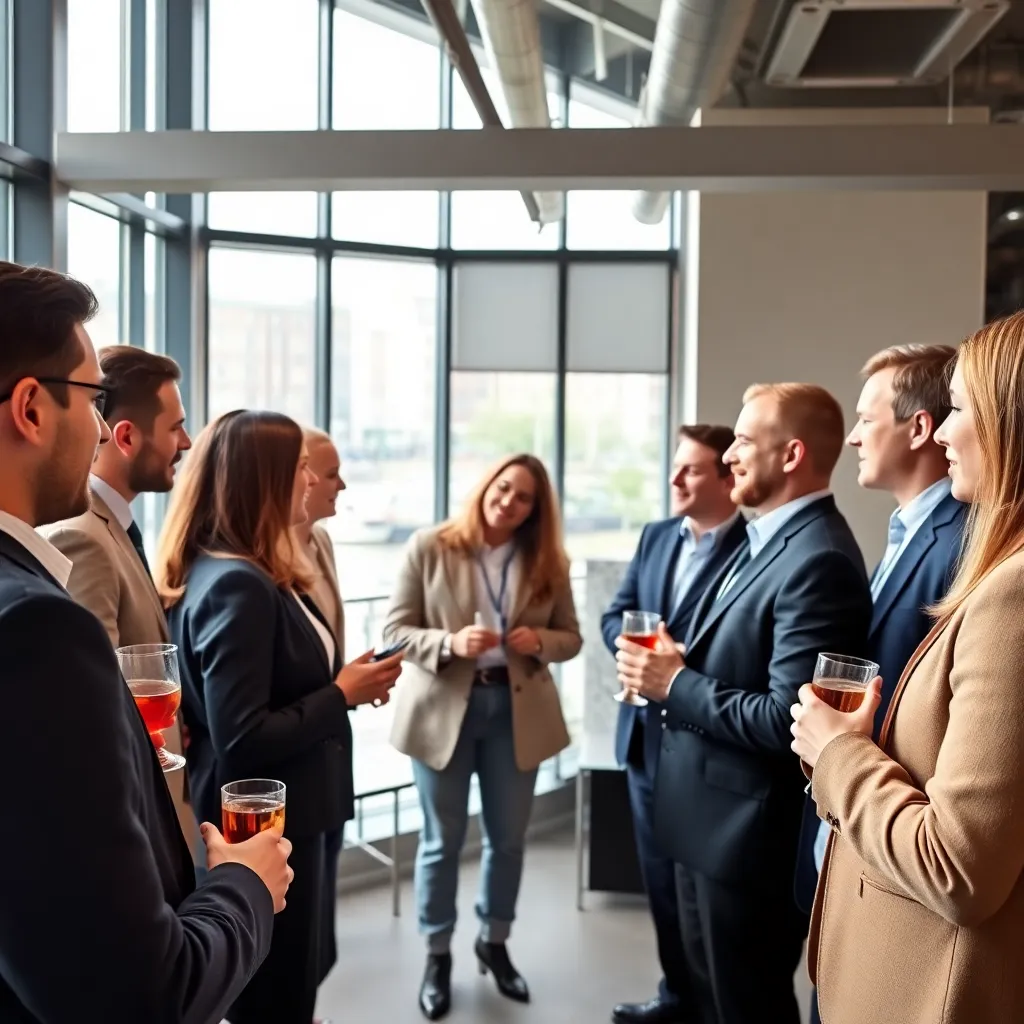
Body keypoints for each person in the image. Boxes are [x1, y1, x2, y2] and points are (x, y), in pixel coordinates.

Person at [0, 260, 291, 1022]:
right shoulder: (36, 632)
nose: (101, 428)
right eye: (93, 398)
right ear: (30, 408)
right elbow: (139, 992)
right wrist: (246, 885)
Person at [793, 312, 1024, 1023]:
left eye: (959, 409)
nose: (946, 429)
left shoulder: (1012, 590)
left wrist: (839, 753)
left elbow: (959, 869)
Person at [617, 383, 872, 1024]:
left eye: (743, 442)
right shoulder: (765, 539)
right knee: (712, 1003)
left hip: (744, 841)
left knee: (746, 1007)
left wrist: (673, 681)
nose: (729, 454)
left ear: (789, 456)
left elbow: (789, 719)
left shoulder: (819, 559)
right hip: (707, 823)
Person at [158, 410, 403, 1024]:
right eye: (299, 468)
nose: (312, 481)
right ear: (267, 478)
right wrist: (341, 694)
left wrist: (343, 686)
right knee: (278, 994)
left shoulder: (251, 569)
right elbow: (243, 737)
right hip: (266, 821)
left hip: (293, 811)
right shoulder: (238, 584)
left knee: (294, 980)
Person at [384, 453, 582, 1021]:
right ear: (486, 486)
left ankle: (494, 942)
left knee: (509, 838)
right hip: (445, 709)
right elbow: (395, 630)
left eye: (523, 498)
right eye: (504, 489)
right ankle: (437, 952)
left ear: (534, 511)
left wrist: (538, 639)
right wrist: (449, 643)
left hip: (516, 711)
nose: (509, 503)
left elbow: (571, 637)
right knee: (442, 839)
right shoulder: (431, 545)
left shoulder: (548, 560)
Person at [603, 424, 745, 1024]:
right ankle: (676, 997)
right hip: (642, 738)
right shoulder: (656, 535)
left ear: (726, 478)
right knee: (659, 885)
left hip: (701, 741)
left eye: (690, 469)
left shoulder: (753, 549)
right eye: (675, 466)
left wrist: (675, 660)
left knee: (701, 900)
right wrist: (634, 650)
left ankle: (706, 1004)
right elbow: (616, 614)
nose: (675, 478)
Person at [43, 345, 194, 842]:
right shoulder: (81, 534)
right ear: (126, 435)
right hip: (138, 824)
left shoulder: (116, 526)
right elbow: (104, 704)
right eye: (175, 428)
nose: (188, 443)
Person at [294, 425, 348, 989]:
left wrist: (348, 683)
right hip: (290, 771)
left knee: (317, 936)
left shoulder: (323, 543)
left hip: (325, 756)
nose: (338, 484)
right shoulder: (249, 574)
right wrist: (342, 692)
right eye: (328, 473)